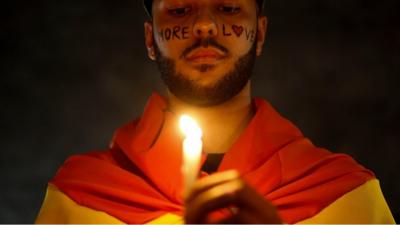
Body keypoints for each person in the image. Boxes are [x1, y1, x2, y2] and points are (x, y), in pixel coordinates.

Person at [35, 0, 395, 223]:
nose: (205, 26)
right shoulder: (81, 198)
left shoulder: (347, 197)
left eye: (228, 8)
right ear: (150, 38)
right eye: (179, 10)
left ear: (260, 35)